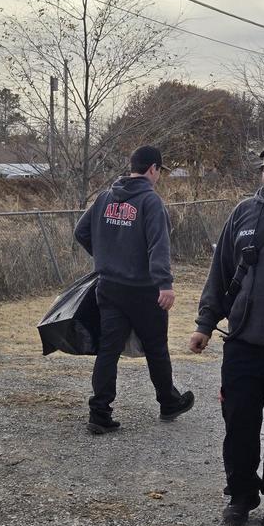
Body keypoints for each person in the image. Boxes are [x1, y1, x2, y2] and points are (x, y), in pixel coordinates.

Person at [190, 135, 264, 526]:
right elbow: (220, 273)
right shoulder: (243, 213)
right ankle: (241, 495)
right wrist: (205, 325)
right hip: (243, 343)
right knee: (239, 424)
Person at [74, 145, 194, 434]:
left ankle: (99, 412)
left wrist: (106, 257)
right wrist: (164, 284)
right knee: (156, 347)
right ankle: (168, 402)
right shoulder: (151, 202)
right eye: (160, 171)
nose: (158, 176)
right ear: (153, 169)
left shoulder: (104, 197)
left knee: (108, 350)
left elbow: (81, 232)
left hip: (109, 287)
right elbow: (158, 246)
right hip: (143, 291)